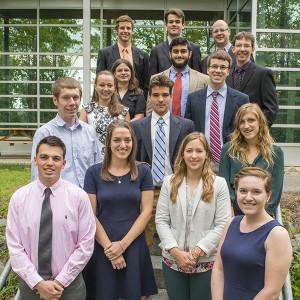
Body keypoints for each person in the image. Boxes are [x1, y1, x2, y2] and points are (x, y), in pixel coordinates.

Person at [7, 136, 96, 300]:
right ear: (35, 160)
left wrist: (61, 281)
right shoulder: (19, 199)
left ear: (64, 163)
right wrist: (38, 283)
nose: (49, 162)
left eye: (56, 158)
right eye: (44, 157)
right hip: (31, 287)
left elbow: (86, 245)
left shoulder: (79, 198)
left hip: (70, 288)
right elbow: (15, 247)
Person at [83, 120, 157, 299]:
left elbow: (146, 211)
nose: (123, 145)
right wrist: (111, 249)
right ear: (108, 142)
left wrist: (123, 245)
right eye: (117, 140)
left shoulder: (143, 171)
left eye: (127, 140)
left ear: (133, 142)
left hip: (133, 243)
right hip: (102, 244)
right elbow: (90, 214)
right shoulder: (93, 173)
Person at [155, 132, 231, 300]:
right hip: (173, 260)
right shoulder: (169, 182)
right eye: (189, 151)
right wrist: (175, 252)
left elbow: (223, 224)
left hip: (206, 262)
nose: (194, 156)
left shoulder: (219, 185)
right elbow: (161, 220)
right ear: (183, 154)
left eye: (199, 151)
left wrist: (196, 252)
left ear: (207, 155)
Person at [131, 74, 195, 247]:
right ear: (149, 97)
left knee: (179, 240)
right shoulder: (136, 126)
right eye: (156, 95)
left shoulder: (186, 125)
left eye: (165, 95)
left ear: (171, 96)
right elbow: (133, 160)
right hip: (148, 191)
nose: (160, 99)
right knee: (143, 242)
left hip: (176, 188)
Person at [211, 166, 292, 300]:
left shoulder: (277, 234)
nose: (248, 197)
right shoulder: (231, 224)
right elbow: (219, 269)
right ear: (236, 192)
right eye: (243, 191)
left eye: (256, 192)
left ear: (268, 195)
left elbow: (272, 291)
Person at [31, 76, 101, 188]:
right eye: (66, 98)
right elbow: (37, 175)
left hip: (87, 197)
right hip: (58, 198)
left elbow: (98, 168)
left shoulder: (89, 131)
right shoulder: (45, 133)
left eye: (75, 97)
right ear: (55, 100)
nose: (72, 102)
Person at [219, 103, 284, 217]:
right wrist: (231, 211)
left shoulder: (276, 152)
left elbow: (276, 190)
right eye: (242, 122)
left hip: (264, 215)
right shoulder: (228, 150)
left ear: (260, 122)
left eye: (251, 120)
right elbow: (224, 186)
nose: (246, 126)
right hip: (235, 214)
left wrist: (265, 215)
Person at [185, 51, 249, 165]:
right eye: (214, 66)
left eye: (223, 67)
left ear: (228, 71)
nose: (218, 70)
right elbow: (188, 132)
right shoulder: (193, 98)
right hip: (200, 160)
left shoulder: (241, 99)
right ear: (207, 70)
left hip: (230, 159)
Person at [146, 36, 209, 117]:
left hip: (192, 128)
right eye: (175, 51)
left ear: (189, 54)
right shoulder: (155, 78)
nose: (179, 55)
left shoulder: (204, 80)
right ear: (170, 54)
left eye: (183, 51)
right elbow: (150, 110)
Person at [226, 31, 278, 126]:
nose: (242, 49)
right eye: (239, 45)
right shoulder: (227, 74)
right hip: (229, 134)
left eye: (246, 46)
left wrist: (257, 130)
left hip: (252, 134)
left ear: (253, 49)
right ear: (233, 49)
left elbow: (271, 109)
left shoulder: (264, 74)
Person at [96, 15, 150, 98]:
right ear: (116, 30)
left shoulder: (143, 55)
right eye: (122, 28)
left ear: (132, 31)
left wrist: (142, 99)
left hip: (136, 101)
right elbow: (99, 80)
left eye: (128, 28)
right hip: (111, 99)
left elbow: (146, 83)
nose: (125, 31)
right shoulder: (104, 53)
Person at [79, 70, 130, 156]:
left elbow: (128, 139)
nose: (105, 89)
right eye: (102, 85)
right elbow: (81, 137)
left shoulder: (123, 111)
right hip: (94, 160)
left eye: (109, 85)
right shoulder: (87, 109)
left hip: (118, 160)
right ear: (95, 86)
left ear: (114, 87)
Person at [149, 8, 202, 77]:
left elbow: (198, 78)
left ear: (183, 25)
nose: (174, 24)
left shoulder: (194, 49)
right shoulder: (156, 51)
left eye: (177, 22)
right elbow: (152, 80)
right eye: (171, 22)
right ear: (166, 25)